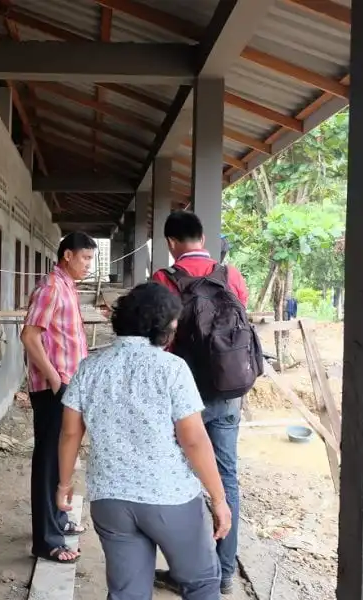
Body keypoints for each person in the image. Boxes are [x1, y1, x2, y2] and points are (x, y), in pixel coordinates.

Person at [57, 283, 232, 599]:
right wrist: (219, 499)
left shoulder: (89, 367)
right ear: (161, 327)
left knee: (127, 593)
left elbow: (70, 432)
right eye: (173, 325)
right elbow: (193, 440)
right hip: (169, 497)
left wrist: (64, 485)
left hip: (110, 500)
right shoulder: (172, 369)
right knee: (202, 583)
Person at [152, 211, 249, 595]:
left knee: (179, 479)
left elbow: (160, 339)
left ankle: (188, 571)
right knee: (226, 479)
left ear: (172, 243)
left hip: (182, 394)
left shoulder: (165, 280)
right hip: (228, 391)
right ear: (204, 236)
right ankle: (224, 572)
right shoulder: (231, 275)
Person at [20, 231, 97, 564]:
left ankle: (58, 520)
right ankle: (46, 541)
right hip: (55, 389)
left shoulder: (68, 287)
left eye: (91, 259)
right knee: (49, 461)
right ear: (67, 255)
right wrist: (53, 379)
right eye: (85, 258)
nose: (88, 265)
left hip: (68, 385)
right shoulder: (51, 288)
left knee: (61, 458)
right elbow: (29, 336)